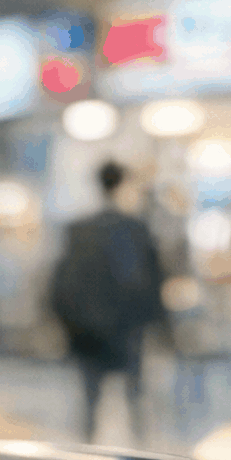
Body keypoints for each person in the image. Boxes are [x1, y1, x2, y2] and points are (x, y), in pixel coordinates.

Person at [51, 160, 165, 443]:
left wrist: (67, 322)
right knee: (135, 396)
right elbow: (150, 280)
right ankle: (142, 455)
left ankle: (88, 452)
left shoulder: (78, 229)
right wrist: (159, 324)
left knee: (91, 400)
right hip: (128, 327)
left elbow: (61, 281)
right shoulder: (136, 228)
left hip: (88, 328)